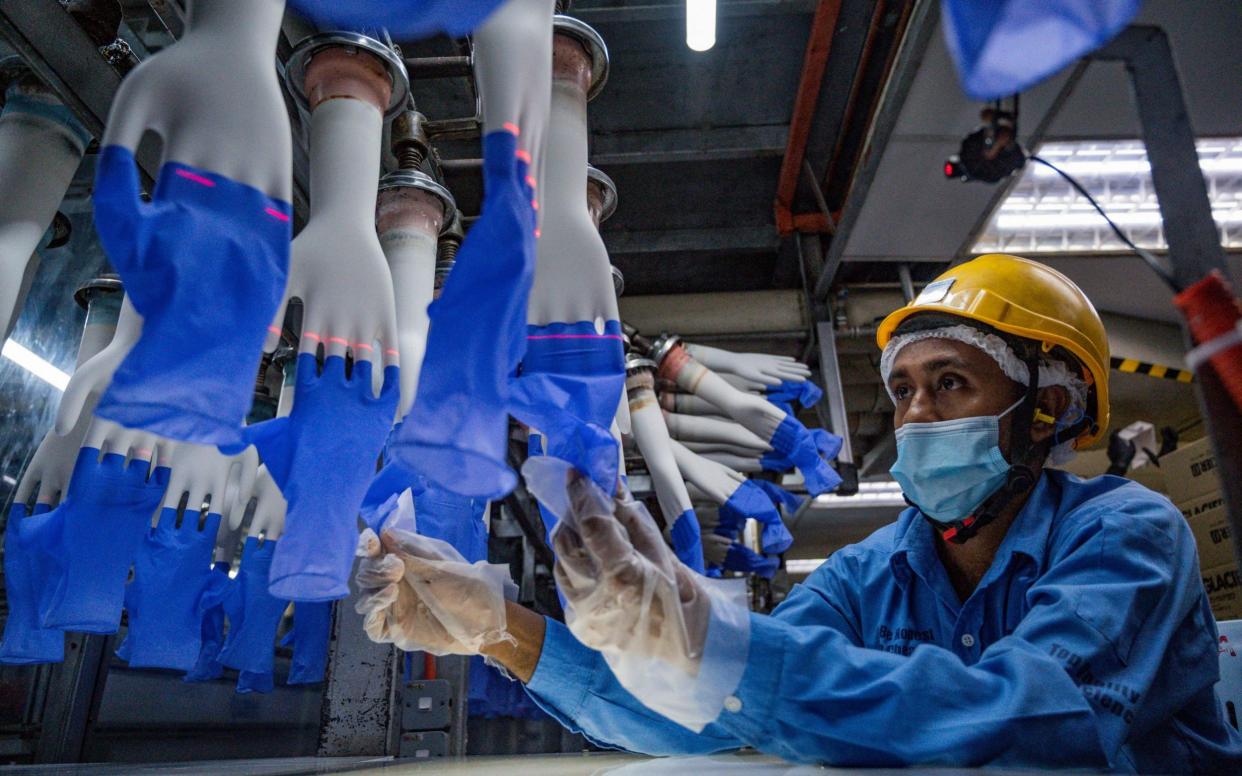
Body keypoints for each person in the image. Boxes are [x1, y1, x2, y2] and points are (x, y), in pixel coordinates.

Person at [355, 254, 1242, 771]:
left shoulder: (1129, 536)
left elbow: (1029, 723)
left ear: (1046, 409)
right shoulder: (872, 573)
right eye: (903, 390)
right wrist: (499, 628)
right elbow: (691, 716)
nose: (917, 414)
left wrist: (715, 641)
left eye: (950, 384)